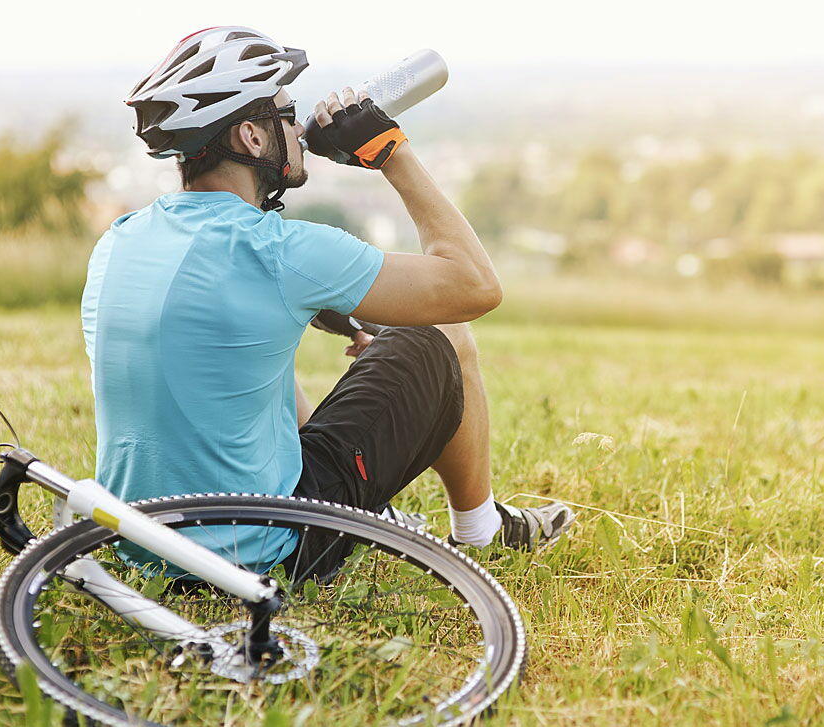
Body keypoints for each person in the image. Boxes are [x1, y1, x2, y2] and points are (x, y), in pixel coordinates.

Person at [82, 26, 574, 579]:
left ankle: (375, 511)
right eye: (286, 117)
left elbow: (213, 337)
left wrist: (330, 310)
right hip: (260, 551)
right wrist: (391, 153)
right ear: (251, 136)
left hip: (141, 544)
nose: (297, 129)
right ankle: (481, 529)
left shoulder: (121, 239)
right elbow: (475, 287)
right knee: (443, 335)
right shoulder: (278, 249)